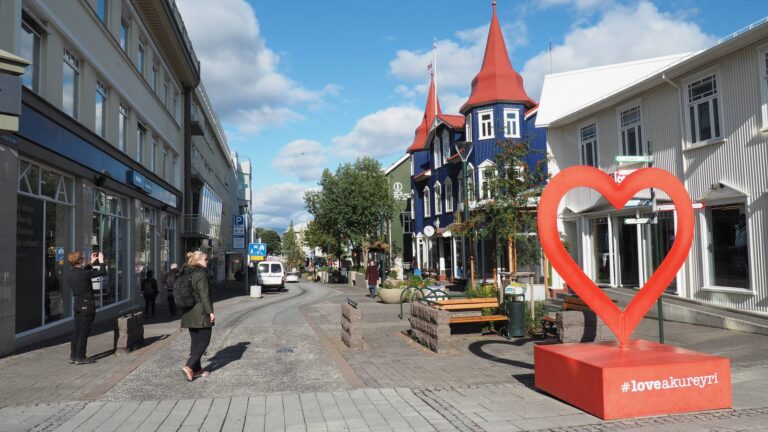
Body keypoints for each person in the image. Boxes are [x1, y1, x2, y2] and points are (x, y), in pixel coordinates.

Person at [65, 251, 106, 365]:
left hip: (77, 305)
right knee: (84, 332)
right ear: (79, 261)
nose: (84, 259)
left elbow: (83, 273)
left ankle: (73, 356)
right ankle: (80, 356)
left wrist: (91, 263)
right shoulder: (83, 274)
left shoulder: (70, 274)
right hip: (87, 305)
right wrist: (101, 261)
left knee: (77, 331)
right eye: (82, 258)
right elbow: (102, 271)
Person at [180, 251, 215, 381]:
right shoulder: (201, 274)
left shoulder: (186, 272)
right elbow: (204, 295)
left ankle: (196, 369)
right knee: (205, 340)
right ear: (199, 260)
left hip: (188, 311)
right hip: (200, 312)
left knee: (195, 340)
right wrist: (210, 312)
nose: (207, 261)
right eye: (205, 259)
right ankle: (189, 366)